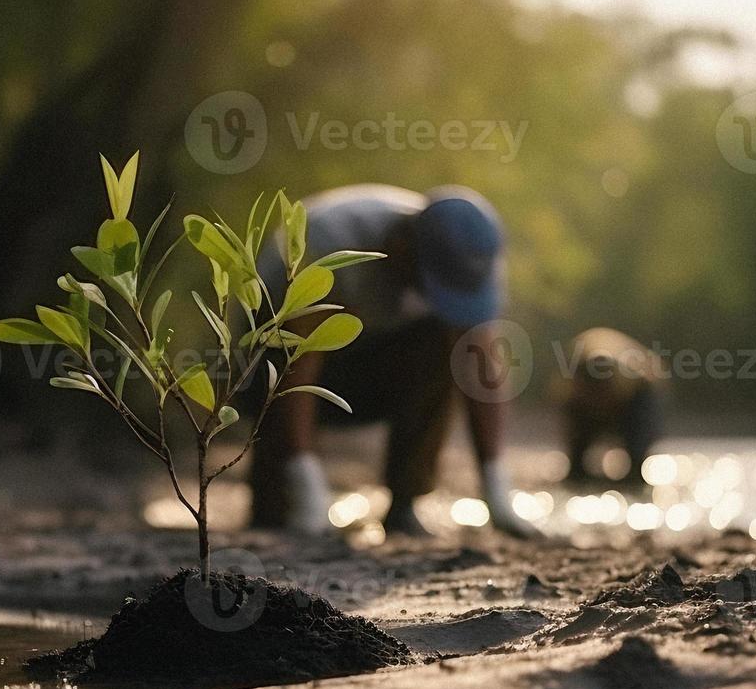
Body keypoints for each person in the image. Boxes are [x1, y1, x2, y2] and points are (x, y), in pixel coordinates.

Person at [247, 184, 537, 538]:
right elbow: (296, 369)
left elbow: (481, 365)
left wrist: (496, 485)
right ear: (403, 248)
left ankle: (404, 505)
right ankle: (287, 492)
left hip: (376, 372)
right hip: (274, 377)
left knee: (447, 345)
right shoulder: (328, 244)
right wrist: (304, 478)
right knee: (278, 521)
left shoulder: (469, 260)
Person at [559, 327, 665, 480]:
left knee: (637, 455)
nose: (598, 401)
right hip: (586, 398)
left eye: (600, 393)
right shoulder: (570, 387)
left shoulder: (635, 385)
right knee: (576, 466)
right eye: (593, 393)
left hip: (636, 395)